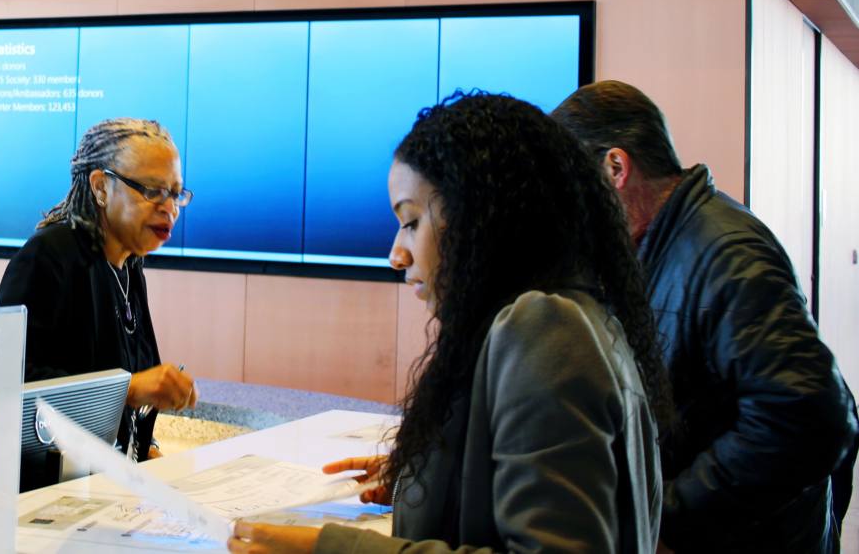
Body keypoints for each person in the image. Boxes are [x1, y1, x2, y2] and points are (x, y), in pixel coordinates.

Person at [230, 92, 671, 554]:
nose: (396, 254)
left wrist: (330, 549)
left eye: (412, 221)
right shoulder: (569, 315)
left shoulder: (544, 326)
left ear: (480, 215)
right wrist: (427, 480)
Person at [553, 80, 859, 553]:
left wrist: (669, 517)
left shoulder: (726, 252)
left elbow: (812, 416)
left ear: (615, 167)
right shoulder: (656, 244)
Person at [0, 117, 198, 474]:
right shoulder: (47, 256)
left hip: (109, 492)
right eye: (152, 190)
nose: (169, 208)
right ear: (101, 187)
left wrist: (147, 454)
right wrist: (130, 388)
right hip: (45, 499)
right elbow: (12, 387)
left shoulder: (128, 265)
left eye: (176, 193)